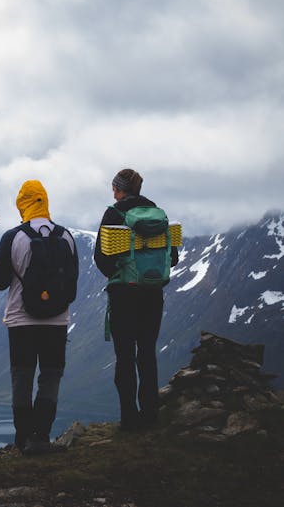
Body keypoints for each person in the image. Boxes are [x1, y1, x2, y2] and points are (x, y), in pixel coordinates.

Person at [0, 180, 78, 454]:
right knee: (50, 377)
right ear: (45, 201)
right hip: (57, 320)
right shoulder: (66, 237)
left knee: (22, 378)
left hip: (21, 320)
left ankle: (22, 439)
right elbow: (73, 281)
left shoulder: (13, 237)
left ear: (22, 204)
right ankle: (41, 437)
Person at [93, 169, 178, 431]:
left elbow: (101, 257)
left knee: (125, 356)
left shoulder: (114, 214)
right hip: (153, 293)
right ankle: (151, 414)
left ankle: (129, 418)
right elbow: (171, 257)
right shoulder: (158, 213)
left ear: (119, 189)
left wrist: (120, 273)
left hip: (124, 295)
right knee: (147, 354)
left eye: (113, 187)